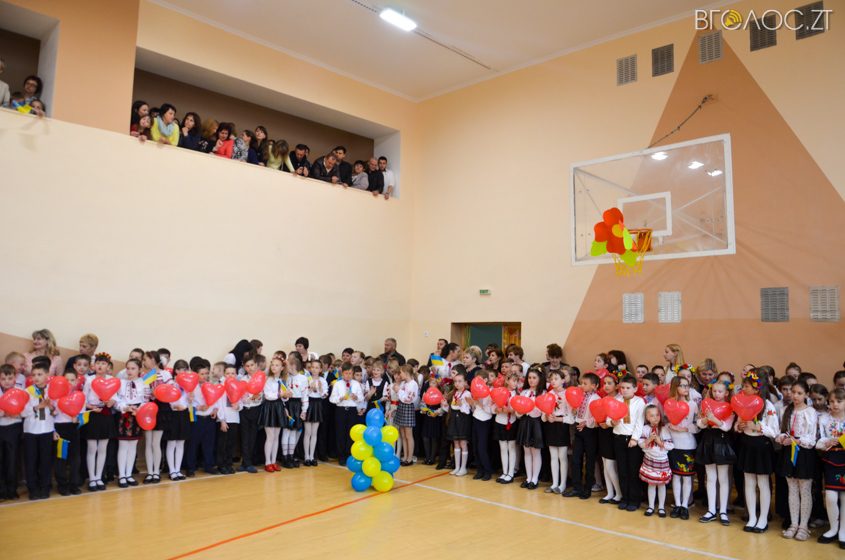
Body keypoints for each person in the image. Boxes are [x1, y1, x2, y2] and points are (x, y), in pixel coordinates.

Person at [777, 379, 818, 541]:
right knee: (792, 489)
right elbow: (781, 431)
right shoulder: (786, 410)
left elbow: (811, 438)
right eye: (793, 392)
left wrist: (797, 441)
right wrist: (782, 438)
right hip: (789, 452)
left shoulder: (810, 412)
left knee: (805, 490)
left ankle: (803, 526)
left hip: (804, 453)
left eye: (799, 393)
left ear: (806, 394)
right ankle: (793, 524)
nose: (794, 395)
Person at [696, 381, 735, 525]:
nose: (716, 394)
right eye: (714, 391)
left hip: (721, 441)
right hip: (708, 440)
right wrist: (706, 419)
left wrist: (714, 419)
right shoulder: (706, 404)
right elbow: (699, 424)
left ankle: (723, 510)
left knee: (723, 478)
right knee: (711, 478)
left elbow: (727, 427)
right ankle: (711, 510)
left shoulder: (729, 407)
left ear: (726, 393)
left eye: (720, 391)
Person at [82, 353, 118, 491]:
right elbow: (83, 399)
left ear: (108, 367)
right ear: (93, 366)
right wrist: (90, 407)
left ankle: (99, 477)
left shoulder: (112, 380)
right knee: (92, 448)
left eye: (103, 364)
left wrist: (111, 402)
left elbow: (115, 397)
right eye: (98, 363)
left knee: (103, 448)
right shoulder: (89, 380)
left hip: (105, 414)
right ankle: (92, 478)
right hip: (92, 415)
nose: (100, 366)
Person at [665, 375, 699, 520]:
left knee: (687, 477)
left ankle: (685, 505)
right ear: (675, 387)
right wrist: (670, 426)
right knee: (676, 476)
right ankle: (677, 504)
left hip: (688, 445)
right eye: (682, 385)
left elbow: (697, 426)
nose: (686, 388)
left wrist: (684, 429)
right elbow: (665, 421)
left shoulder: (693, 404)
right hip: (673, 445)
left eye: (687, 385)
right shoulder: (669, 403)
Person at [20, 363, 54, 500]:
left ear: (47, 375)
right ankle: (33, 489)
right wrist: (36, 407)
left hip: (47, 429)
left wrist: (51, 407)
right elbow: (22, 412)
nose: (36, 377)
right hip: (31, 431)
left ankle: (45, 487)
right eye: (33, 375)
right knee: (31, 461)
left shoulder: (52, 390)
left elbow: (58, 411)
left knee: (46, 461)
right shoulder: (27, 391)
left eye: (40, 374)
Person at [612, 375, 646, 511]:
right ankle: (624, 498)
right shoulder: (616, 400)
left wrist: (635, 438)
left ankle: (634, 499)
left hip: (632, 439)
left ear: (635, 389)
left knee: (633, 470)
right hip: (618, 437)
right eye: (622, 387)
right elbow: (609, 417)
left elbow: (640, 422)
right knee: (622, 470)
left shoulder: (639, 402)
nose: (624, 390)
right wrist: (611, 422)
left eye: (628, 388)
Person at [564, 372, 601, 499]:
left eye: (585, 384)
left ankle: (588, 488)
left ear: (594, 386)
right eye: (581, 383)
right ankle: (576, 487)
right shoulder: (579, 396)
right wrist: (575, 412)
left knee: (589, 460)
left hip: (590, 431)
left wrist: (587, 422)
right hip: (578, 429)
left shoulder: (596, 398)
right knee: (576, 459)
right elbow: (576, 410)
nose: (582, 385)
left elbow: (597, 416)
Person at [816, 388, 845, 546]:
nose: (835, 405)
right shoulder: (824, 419)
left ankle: (843, 531)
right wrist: (827, 442)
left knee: (844, 497)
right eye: (832, 401)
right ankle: (833, 528)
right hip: (831, 459)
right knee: (831, 496)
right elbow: (819, 441)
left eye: (839, 401)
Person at [115, 358, 147, 488]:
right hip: (124, 415)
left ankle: (128, 474)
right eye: (128, 368)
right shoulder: (121, 383)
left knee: (133, 446)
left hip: (136, 415)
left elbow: (146, 400)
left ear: (139, 370)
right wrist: (125, 407)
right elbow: (117, 400)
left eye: (133, 368)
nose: (130, 371)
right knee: (123, 446)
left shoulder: (143, 383)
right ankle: (122, 475)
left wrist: (139, 409)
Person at [185, 360, 219, 477]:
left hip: (209, 418)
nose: (205, 376)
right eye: (202, 374)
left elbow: (215, 399)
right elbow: (188, 404)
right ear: (196, 374)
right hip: (197, 418)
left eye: (206, 373)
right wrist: (198, 407)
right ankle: (190, 467)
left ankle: (208, 465)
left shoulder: (210, 385)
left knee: (209, 443)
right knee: (193, 444)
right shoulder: (191, 387)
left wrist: (215, 409)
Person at [639, 404, 674, 517]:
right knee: (651, 484)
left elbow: (670, 446)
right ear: (647, 417)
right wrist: (649, 439)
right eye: (652, 416)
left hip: (662, 461)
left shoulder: (664, 429)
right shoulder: (645, 429)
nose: (655, 418)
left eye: (657, 415)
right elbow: (641, 444)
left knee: (661, 485)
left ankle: (661, 507)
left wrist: (659, 442)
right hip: (650, 460)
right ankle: (651, 506)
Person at [143, 351, 171, 484]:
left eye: (146, 359)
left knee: (156, 443)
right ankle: (150, 472)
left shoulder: (165, 374)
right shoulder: (144, 375)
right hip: (147, 408)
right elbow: (143, 393)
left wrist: (159, 393)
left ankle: (156, 471)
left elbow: (171, 390)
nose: (144, 362)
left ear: (153, 360)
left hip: (161, 408)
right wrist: (149, 394)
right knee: (148, 442)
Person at [515, 367, 546, 489]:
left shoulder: (543, 393)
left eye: (534, 378)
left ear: (539, 379)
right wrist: (520, 411)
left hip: (536, 423)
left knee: (535, 452)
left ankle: (535, 479)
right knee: (526, 451)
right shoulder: (524, 392)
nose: (531, 380)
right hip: (525, 422)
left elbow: (543, 411)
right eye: (529, 378)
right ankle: (528, 478)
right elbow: (518, 411)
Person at [52, 369, 81, 495]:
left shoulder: (80, 396)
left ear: (77, 381)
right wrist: (53, 431)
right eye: (66, 380)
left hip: (73, 429)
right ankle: (62, 485)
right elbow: (50, 416)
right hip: (60, 429)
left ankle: (74, 484)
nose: (69, 383)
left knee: (75, 458)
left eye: (72, 380)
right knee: (61, 458)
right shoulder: (55, 397)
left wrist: (77, 419)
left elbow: (83, 415)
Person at [543, 369, 573, 493]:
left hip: (562, 427)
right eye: (551, 379)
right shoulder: (548, 394)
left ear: (563, 380)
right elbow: (543, 413)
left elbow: (571, 418)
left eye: (556, 379)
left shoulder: (567, 394)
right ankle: (554, 483)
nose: (553, 381)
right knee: (553, 456)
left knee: (562, 457)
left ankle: (562, 484)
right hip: (551, 426)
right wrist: (547, 416)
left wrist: (558, 419)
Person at [330, 362, 364, 465]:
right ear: (342, 373)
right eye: (346, 373)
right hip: (340, 410)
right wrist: (340, 398)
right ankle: (341, 456)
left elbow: (361, 398)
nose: (348, 375)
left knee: (351, 433)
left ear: (352, 373)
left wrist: (356, 397)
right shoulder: (338, 384)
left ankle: (349, 454)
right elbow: (332, 399)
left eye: (350, 373)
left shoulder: (356, 384)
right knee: (340, 433)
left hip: (352, 410)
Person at [260, 356, 287, 472]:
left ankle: (273, 461)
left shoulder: (282, 380)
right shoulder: (268, 379)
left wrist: (286, 396)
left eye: (277, 365)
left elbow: (284, 398)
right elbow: (268, 395)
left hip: (278, 407)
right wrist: (280, 395)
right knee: (270, 436)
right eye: (273, 365)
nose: (274, 367)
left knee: (276, 436)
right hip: (269, 408)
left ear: (282, 368)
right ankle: (267, 462)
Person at [0, 365, 23, 499]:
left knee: (12, 459)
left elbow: (22, 412)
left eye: (10, 378)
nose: (7, 381)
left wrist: (7, 413)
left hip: (13, 429)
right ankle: (1, 490)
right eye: (3, 379)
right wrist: (6, 413)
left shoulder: (19, 392)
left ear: (15, 378)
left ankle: (11, 489)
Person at [238, 353, 263, 473]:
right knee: (244, 437)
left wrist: (257, 397)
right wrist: (249, 398)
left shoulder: (261, 378)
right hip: (244, 410)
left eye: (252, 365)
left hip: (255, 409)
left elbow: (262, 394)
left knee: (252, 437)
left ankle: (247, 462)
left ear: (256, 365)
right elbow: (241, 396)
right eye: (247, 366)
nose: (250, 368)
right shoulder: (243, 379)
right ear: (244, 367)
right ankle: (246, 463)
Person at [493, 372, 519, 483]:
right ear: (507, 381)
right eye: (513, 380)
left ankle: (511, 473)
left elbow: (518, 410)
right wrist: (497, 409)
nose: (515, 383)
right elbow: (493, 407)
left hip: (511, 423)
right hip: (500, 421)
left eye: (517, 381)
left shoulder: (516, 395)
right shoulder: (500, 392)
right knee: (503, 448)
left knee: (511, 448)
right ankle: (504, 472)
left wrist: (511, 410)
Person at [446, 369, 472, 476]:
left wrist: (461, 405)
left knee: (463, 443)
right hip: (454, 419)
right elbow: (453, 407)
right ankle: (457, 467)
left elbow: (468, 410)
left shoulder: (467, 393)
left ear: (465, 382)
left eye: (460, 381)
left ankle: (463, 467)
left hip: (463, 420)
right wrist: (445, 405)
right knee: (456, 443)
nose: (457, 383)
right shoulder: (455, 393)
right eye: (455, 381)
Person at [216, 364, 242, 475]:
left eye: (233, 373)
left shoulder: (238, 386)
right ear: (224, 374)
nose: (230, 375)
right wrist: (222, 420)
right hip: (224, 419)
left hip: (234, 418)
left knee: (231, 443)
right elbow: (218, 404)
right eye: (228, 373)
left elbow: (241, 402)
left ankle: (228, 464)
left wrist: (238, 406)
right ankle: (221, 465)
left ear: (236, 374)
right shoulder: (221, 386)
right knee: (222, 443)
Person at [469, 370, 494, 481]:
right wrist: (472, 403)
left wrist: (478, 403)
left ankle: (487, 470)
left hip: (484, 420)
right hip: (476, 418)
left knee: (482, 447)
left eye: (479, 380)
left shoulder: (490, 392)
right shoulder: (475, 391)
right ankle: (480, 470)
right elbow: (475, 408)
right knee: (475, 447)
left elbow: (491, 410)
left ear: (485, 380)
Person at [303, 359, 328, 466]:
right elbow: (303, 393)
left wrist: (320, 389)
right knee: (307, 432)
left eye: (317, 367)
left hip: (317, 405)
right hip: (308, 404)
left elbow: (324, 395)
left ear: (320, 369)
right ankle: (306, 457)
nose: (314, 369)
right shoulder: (306, 379)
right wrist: (309, 388)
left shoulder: (323, 380)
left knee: (314, 433)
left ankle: (312, 456)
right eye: (312, 367)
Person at [394, 364, 418, 466]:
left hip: (407, 407)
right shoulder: (405, 383)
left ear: (406, 373)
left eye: (401, 373)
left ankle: (409, 458)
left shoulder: (413, 384)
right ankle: (405, 456)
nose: (400, 375)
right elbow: (401, 395)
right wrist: (398, 389)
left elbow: (408, 399)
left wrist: (399, 390)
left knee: (408, 435)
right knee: (403, 434)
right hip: (402, 407)